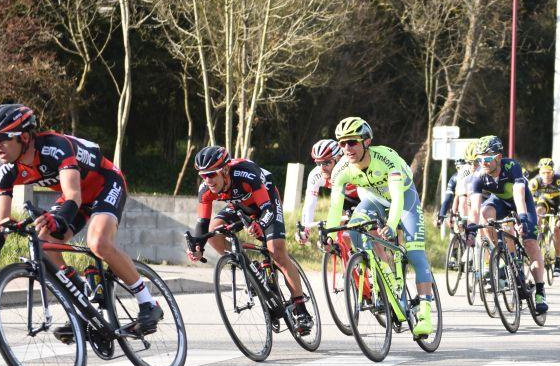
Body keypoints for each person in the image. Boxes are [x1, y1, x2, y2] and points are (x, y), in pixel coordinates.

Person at [0, 103, 161, 341]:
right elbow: (0, 219)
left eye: (3, 137)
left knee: (98, 243)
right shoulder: (4, 170)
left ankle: (148, 302)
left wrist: (58, 220)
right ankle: (84, 303)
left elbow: (73, 195)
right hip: (75, 197)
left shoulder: (55, 147)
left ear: (23, 136)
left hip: (105, 184)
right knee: (44, 243)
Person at [323, 117, 436, 336]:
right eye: (342, 143)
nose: (347, 148)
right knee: (354, 231)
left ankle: (425, 315)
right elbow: (335, 205)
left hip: (404, 200)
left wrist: (392, 225)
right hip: (374, 200)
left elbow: (397, 197)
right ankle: (385, 275)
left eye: (352, 142)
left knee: (415, 255)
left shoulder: (386, 158)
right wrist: (328, 232)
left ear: (366, 142)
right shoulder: (342, 169)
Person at [186, 145, 313, 335]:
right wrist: (197, 247)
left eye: (211, 174)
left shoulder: (246, 173)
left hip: (266, 200)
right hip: (240, 206)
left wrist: (259, 224)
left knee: (276, 252)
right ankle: (246, 264)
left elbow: (267, 210)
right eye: (203, 175)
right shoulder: (205, 189)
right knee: (214, 231)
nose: (207, 180)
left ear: (225, 170)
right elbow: (202, 225)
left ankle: (300, 307)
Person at [466, 135, 549, 313]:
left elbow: (519, 195)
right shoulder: (478, 176)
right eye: (479, 159)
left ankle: (540, 291)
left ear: (498, 157)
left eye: (487, 158)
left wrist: (523, 218)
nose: (483, 162)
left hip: (522, 204)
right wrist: (471, 229)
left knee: (530, 243)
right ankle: (503, 255)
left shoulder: (512, 167)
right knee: (484, 214)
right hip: (500, 203)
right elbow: (474, 207)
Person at [297, 139, 360, 244]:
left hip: (363, 196)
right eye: (318, 163)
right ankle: (350, 255)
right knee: (336, 230)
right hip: (344, 198)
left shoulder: (351, 168)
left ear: (338, 159)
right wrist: (305, 229)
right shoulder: (316, 175)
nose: (322, 168)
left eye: (326, 162)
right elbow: (309, 204)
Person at [527, 157, 560, 277]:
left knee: (556, 230)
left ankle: (558, 263)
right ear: (539, 172)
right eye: (544, 172)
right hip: (544, 202)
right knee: (538, 211)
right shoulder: (534, 182)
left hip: (558, 205)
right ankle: (537, 235)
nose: (547, 175)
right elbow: (530, 204)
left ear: (553, 172)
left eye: (549, 172)